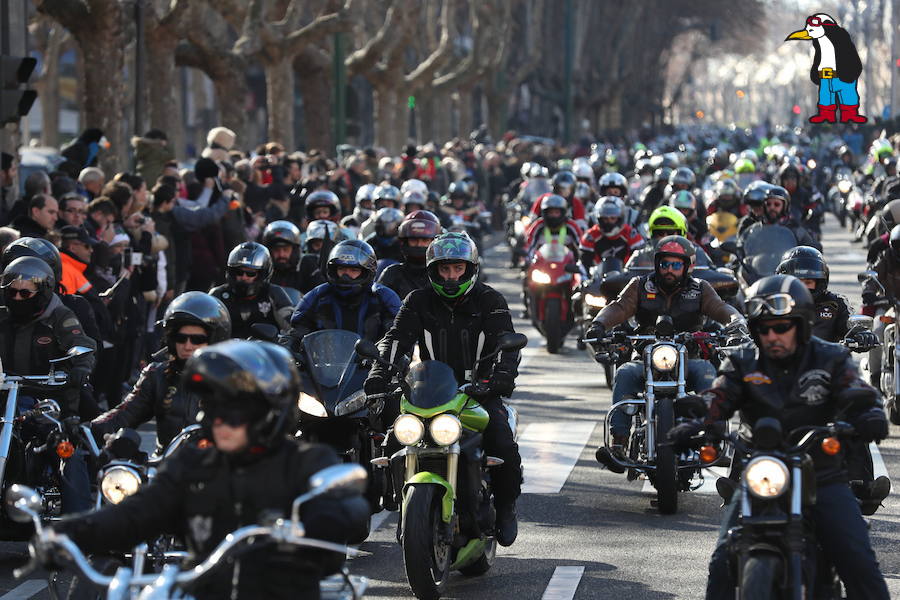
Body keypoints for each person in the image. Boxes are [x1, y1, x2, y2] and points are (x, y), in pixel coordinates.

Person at [49, 340, 370, 600]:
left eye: (233, 411)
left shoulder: (307, 462)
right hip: (204, 591)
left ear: (269, 413)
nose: (218, 420)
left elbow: (348, 513)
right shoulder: (194, 464)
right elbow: (139, 513)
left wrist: (325, 520)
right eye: (213, 409)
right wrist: (69, 533)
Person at [670, 275, 890, 600]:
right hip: (758, 473)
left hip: (822, 475)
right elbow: (718, 397)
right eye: (764, 328)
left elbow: (857, 390)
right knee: (720, 563)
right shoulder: (743, 361)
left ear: (801, 324)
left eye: (782, 327)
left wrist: (869, 414)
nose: (772, 336)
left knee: (858, 560)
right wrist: (699, 421)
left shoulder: (831, 358)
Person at [364, 232, 523, 546]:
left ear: (470, 268)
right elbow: (396, 341)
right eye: (444, 269)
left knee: (502, 442)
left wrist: (501, 378)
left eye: (457, 269)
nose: (451, 276)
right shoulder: (418, 300)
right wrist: (378, 375)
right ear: (433, 270)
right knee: (393, 435)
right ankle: (399, 498)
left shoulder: (489, 299)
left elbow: (508, 344)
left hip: (478, 390)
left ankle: (505, 507)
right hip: (431, 389)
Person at [585, 236, 746, 471]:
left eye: (676, 265)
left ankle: (714, 440)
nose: (669, 270)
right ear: (657, 265)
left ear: (687, 266)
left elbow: (721, 308)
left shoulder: (700, 288)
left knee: (709, 373)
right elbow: (619, 307)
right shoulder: (640, 285)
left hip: (690, 359)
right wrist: (599, 324)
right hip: (646, 358)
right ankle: (618, 443)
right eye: (665, 264)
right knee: (625, 373)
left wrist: (736, 322)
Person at [0, 256, 96, 512]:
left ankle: (78, 525)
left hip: (47, 401)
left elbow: (81, 344)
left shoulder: (59, 316)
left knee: (65, 449)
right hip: (4, 398)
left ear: (42, 292)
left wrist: (80, 367)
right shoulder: (1, 315)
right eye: (12, 292)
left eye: (25, 293)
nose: (17, 298)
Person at [90, 292, 231, 452]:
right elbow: (125, 414)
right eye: (181, 338)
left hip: (219, 468)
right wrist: (90, 429)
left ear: (215, 340)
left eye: (197, 339)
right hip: (167, 467)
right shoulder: (158, 375)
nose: (188, 345)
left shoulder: (231, 380)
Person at [283, 240, 401, 346]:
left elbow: (397, 335)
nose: (346, 275)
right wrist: (288, 344)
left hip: (372, 366)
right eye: (342, 269)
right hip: (324, 367)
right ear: (334, 270)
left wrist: (385, 355)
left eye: (353, 270)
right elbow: (299, 330)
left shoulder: (383, 297)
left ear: (366, 272)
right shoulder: (318, 296)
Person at [210, 242, 293, 339]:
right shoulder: (218, 295)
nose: (244, 277)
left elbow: (292, 324)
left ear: (262, 273)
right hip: (226, 351)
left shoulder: (273, 293)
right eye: (239, 272)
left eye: (250, 273)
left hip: (265, 352)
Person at [377, 210, 441, 300]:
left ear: (434, 242)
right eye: (414, 240)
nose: (419, 245)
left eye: (425, 240)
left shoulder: (442, 273)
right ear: (405, 241)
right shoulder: (392, 273)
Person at [740, 184, 821, 250]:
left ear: (785, 207)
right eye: (768, 204)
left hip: (785, 269)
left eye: (776, 204)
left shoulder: (794, 229)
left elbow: (811, 246)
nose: (772, 208)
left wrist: (813, 249)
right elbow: (742, 247)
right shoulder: (756, 229)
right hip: (759, 269)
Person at [578, 196, 644, 269]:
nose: (609, 222)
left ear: (620, 218)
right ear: (599, 219)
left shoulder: (630, 234)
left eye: (613, 218)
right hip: (598, 278)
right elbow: (584, 265)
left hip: (626, 278)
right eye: (605, 218)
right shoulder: (590, 236)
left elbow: (640, 262)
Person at [262, 220, 304, 293]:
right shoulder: (263, 273)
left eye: (286, 249)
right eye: (276, 250)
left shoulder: (305, 268)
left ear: (294, 250)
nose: (281, 254)